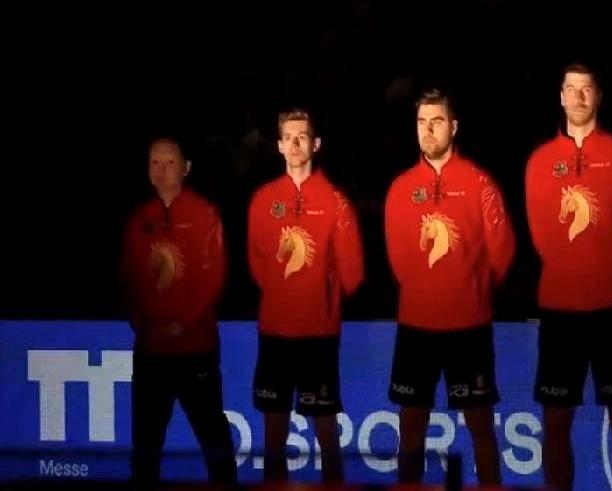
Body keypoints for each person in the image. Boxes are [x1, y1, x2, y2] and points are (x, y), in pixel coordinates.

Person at [524, 63, 612, 491]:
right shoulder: (540, 161)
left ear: (598, 97)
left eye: (586, 89)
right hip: (560, 309)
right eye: (571, 89)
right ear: (560, 97)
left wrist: (611, 270)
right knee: (555, 422)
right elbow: (541, 235)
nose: (578, 97)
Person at [384, 88, 515, 484]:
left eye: (437, 121)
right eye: (422, 122)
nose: (428, 130)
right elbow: (399, 261)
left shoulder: (480, 183)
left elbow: (502, 252)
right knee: (411, 425)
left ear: (453, 127)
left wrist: (470, 293)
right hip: (416, 327)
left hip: (468, 327)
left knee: (480, 426)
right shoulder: (401, 187)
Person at [248, 108, 364, 482]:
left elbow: (353, 273)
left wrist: (322, 298)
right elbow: (257, 263)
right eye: (288, 137)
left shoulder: (336, 201)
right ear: (279, 146)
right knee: (273, 436)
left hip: (319, 335)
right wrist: (284, 294)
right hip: (275, 332)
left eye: (302, 136)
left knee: (326, 434)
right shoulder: (263, 199)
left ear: (316, 144)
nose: (295, 143)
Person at [121, 137, 237, 484]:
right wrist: (143, 325)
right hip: (150, 352)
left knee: (213, 436)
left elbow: (213, 279)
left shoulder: (205, 214)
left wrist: (181, 326)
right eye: (155, 162)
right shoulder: (138, 219)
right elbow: (127, 279)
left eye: (170, 162)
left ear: (186, 168)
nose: (162, 169)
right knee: (146, 443)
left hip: (195, 350)